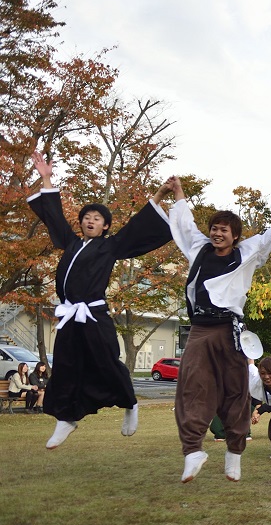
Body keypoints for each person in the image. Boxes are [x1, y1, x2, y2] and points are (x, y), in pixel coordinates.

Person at [28, 150, 174, 449]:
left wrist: (159, 193)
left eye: (97, 218)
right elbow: (53, 215)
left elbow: (138, 225)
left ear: (105, 226)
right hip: (70, 316)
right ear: (81, 223)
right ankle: (66, 418)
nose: (91, 221)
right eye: (86, 217)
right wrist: (45, 177)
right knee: (66, 366)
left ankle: (130, 403)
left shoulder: (111, 247)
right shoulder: (70, 242)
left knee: (106, 361)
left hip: (94, 315)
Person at [168, 177, 271, 483]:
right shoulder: (200, 249)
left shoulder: (246, 251)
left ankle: (234, 453)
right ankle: (192, 450)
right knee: (191, 386)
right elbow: (183, 222)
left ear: (235, 236)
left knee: (235, 391)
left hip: (230, 330)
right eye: (215, 228)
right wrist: (178, 192)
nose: (217, 233)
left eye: (224, 230)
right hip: (200, 330)